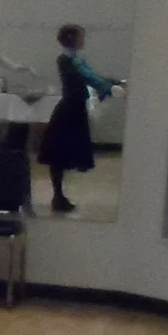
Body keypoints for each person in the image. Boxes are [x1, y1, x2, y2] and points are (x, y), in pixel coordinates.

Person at [40, 23, 123, 214]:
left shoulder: (74, 59)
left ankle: (59, 196)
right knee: (58, 155)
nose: (83, 39)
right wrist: (110, 86)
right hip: (69, 111)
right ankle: (58, 196)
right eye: (81, 36)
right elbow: (89, 78)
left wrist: (112, 82)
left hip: (74, 110)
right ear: (72, 38)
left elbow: (91, 76)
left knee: (60, 154)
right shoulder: (68, 60)